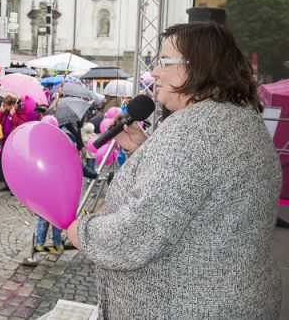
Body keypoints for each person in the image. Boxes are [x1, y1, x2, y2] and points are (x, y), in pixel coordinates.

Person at [67, 22, 282, 318]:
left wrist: (83, 230)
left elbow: (136, 235)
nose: (155, 72)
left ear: (201, 66)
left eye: (165, 62)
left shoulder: (195, 130)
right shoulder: (237, 117)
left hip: (188, 306)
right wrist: (146, 150)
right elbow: (200, 192)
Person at [0, 95, 26, 191]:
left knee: (13, 166)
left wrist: (14, 115)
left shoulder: (20, 112)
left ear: (11, 105)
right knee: (5, 165)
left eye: (5, 105)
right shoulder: (5, 112)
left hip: (14, 143)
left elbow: (21, 126)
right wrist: (1, 111)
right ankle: (7, 185)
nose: (4, 107)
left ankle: (14, 187)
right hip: (4, 141)